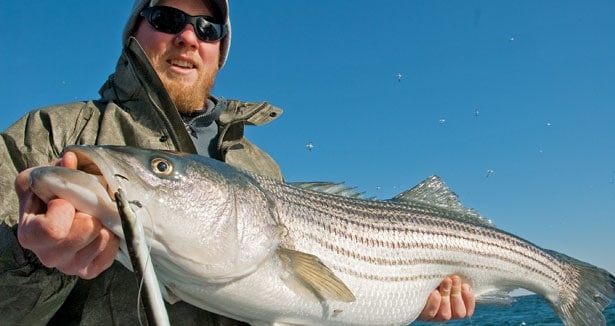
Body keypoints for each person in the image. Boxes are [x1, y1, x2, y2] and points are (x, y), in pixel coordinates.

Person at [0, 0, 475, 324]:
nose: (188, 36)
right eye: (166, 17)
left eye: (208, 29)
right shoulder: (53, 135)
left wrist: (408, 299)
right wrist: (28, 259)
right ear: (133, 32)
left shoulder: (259, 165)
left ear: (219, 52)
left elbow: (310, 304)